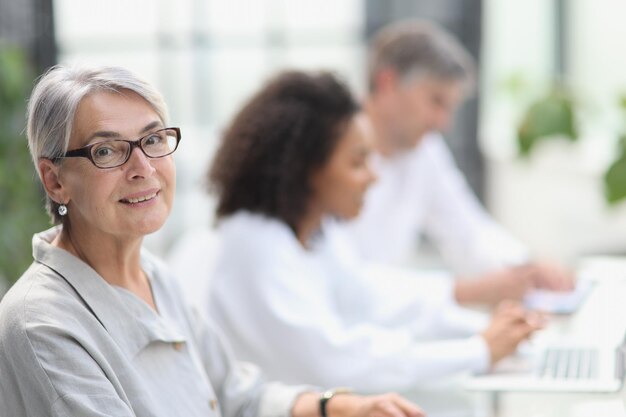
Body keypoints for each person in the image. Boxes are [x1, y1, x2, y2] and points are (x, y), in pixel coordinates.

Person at [0, 65, 425, 417]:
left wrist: (339, 406)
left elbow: (235, 395)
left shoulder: (155, 278)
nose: (143, 167)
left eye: (152, 140)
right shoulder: (41, 325)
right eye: (107, 151)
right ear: (55, 181)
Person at [206, 70, 543, 393]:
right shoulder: (258, 247)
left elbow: (370, 300)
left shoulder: (316, 233)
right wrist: (478, 349)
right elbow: (339, 361)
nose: (374, 176)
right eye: (357, 162)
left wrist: (486, 332)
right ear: (304, 168)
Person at [344, 19, 573, 305]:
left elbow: (467, 230)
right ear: (387, 83)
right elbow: (346, 281)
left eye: (449, 108)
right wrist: (465, 292)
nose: (443, 123)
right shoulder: (331, 154)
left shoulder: (424, 151)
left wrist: (527, 268)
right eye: (435, 101)